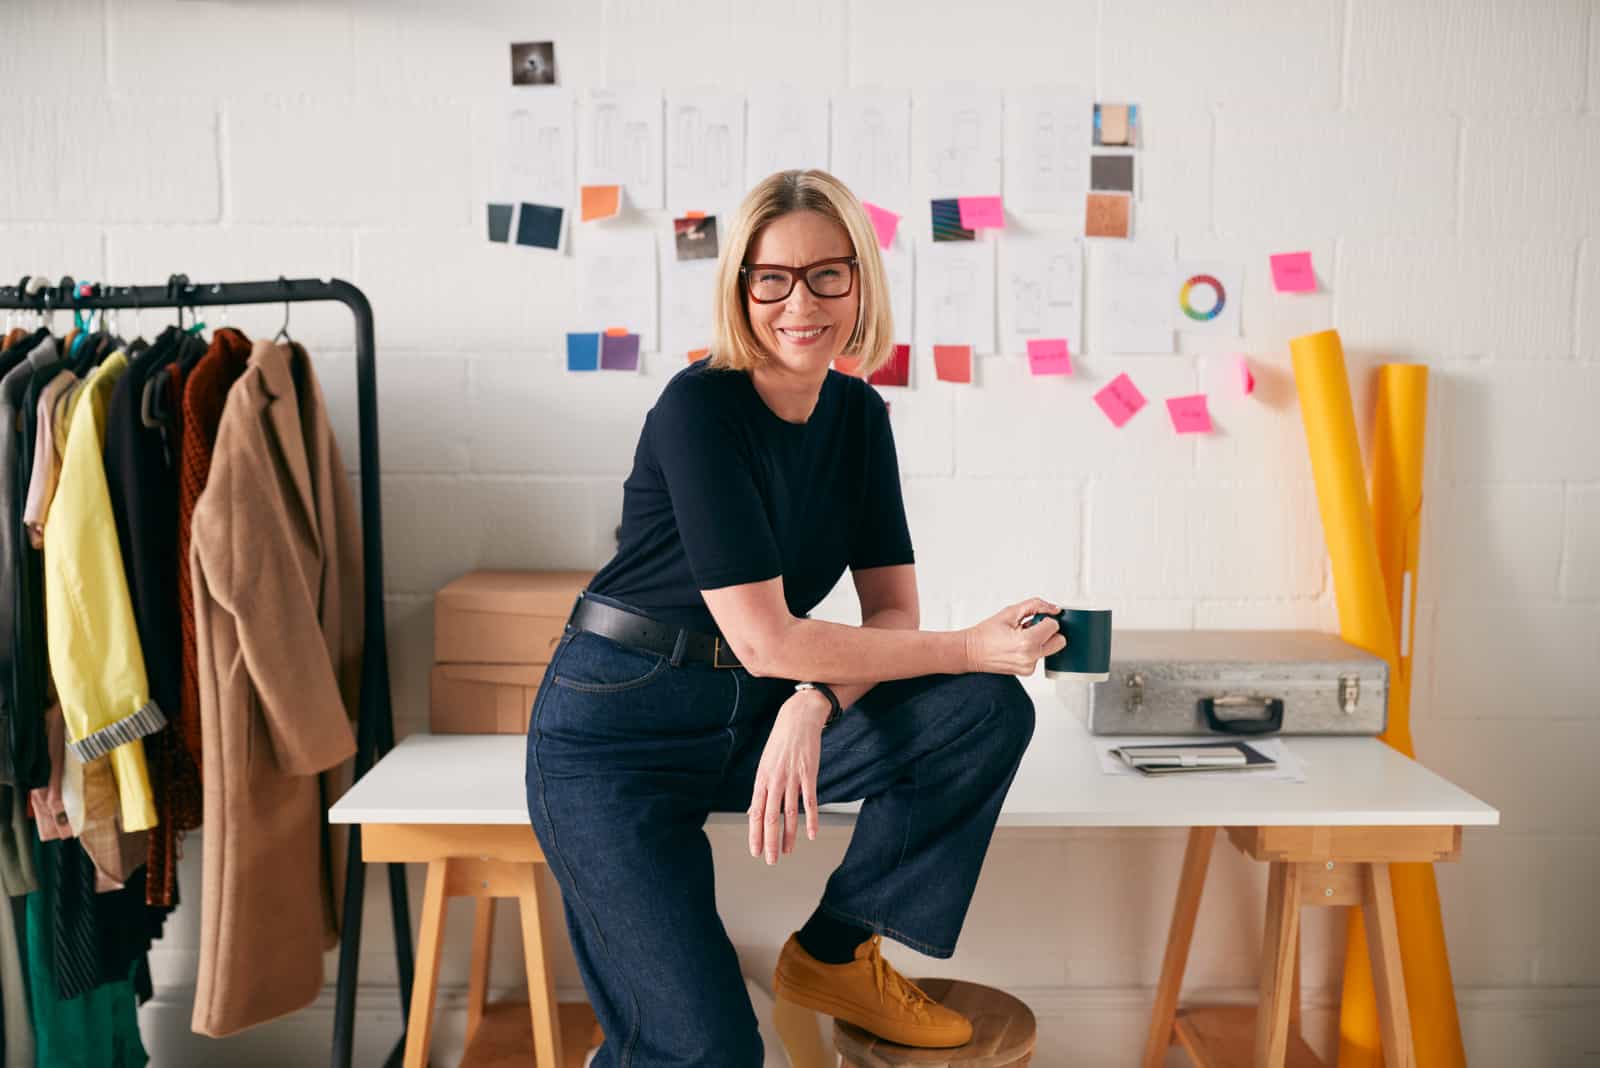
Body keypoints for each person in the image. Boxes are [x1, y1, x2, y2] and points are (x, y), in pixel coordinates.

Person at [525, 168, 1065, 1067]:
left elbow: (891, 609)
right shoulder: (699, 406)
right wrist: (971, 646)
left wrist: (814, 701)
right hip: (617, 731)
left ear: (861, 283)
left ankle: (835, 951)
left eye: (827, 274)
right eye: (770, 278)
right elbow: (763, 635)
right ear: (740, 288)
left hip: (759, 709)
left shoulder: (857, 415)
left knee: (984, 710)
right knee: (711, 1053)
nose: (799, 302)